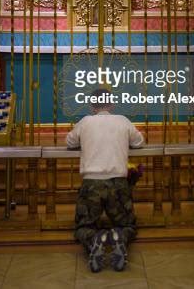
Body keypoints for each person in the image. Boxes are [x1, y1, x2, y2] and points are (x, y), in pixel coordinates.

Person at [66, 89, 144, 273]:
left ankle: (94, 240)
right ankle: (119, 236)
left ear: (92, 106)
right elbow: (139, 141)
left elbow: (70, 142)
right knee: (128, 224)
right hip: (118, 182)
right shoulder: (122, 121)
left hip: (92, 182)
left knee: (83, 226)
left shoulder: (85, 122)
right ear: (111, 104)